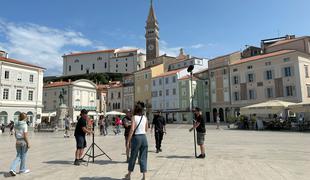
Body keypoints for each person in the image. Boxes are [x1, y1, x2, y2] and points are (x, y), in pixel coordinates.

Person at [125, 102, 148, 180]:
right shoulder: (145, 118)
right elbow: (146, 129)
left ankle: (129, 175)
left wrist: (128, 141)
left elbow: (132, 130)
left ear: (135, 110)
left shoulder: (134, 117)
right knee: (143, 157)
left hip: (137, 138)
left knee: (133, 157)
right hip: (144, 138)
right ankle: (144, 176)